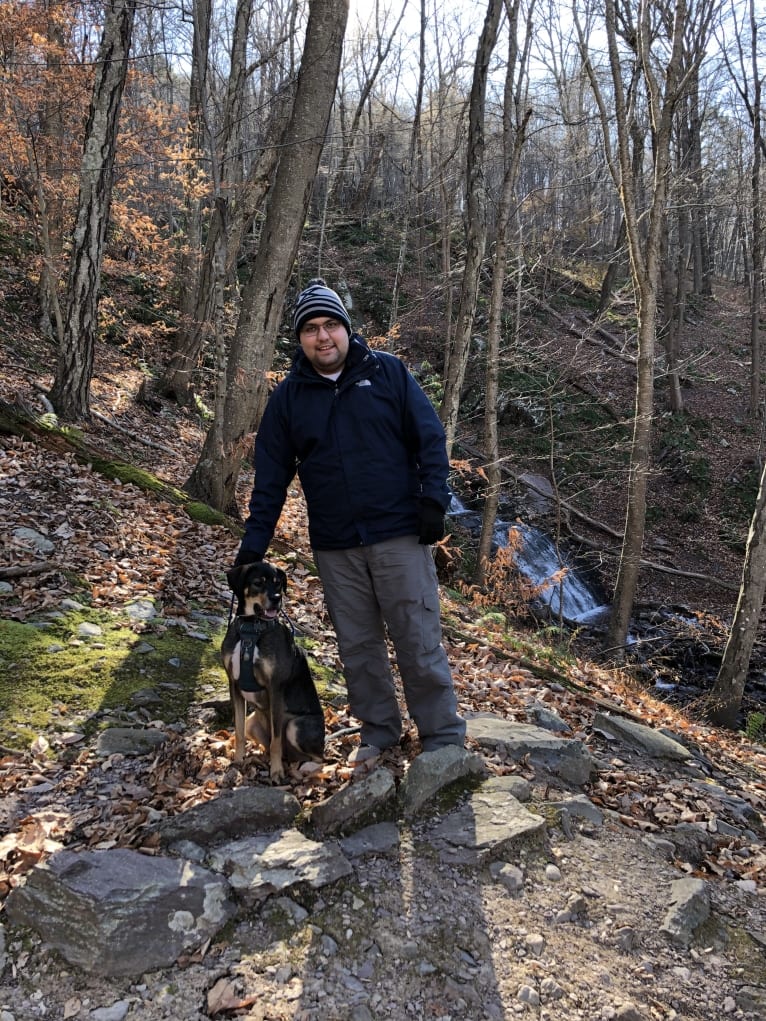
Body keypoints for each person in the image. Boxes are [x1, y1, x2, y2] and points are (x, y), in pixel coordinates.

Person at [233, 278, 466, 763]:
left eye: (331, 325)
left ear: (347, 329)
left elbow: (430, 441)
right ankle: (379, 732)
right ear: (299, 339)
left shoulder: (388, 374)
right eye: (312, 329)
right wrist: (254, 545)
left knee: (418, 639)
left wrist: (433, 502)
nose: (323, 337)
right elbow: (271, 480)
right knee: (358, 648)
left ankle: (442, 736)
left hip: (400, 533)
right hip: (336, 545)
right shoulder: (289, 399)